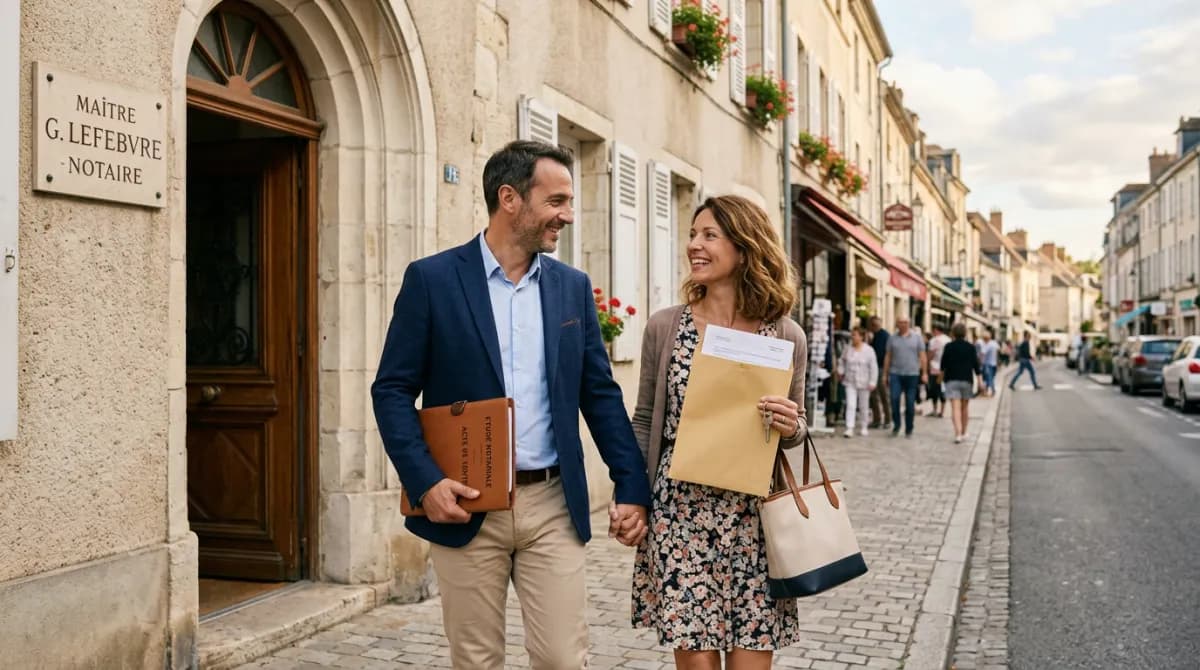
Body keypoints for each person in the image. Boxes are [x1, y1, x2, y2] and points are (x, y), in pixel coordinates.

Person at [371, 140, 652, 669]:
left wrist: (631, 484)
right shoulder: (431, 280)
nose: (568, 216)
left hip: (552, 503)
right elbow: (390, 390)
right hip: (465, 502)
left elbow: (599, 394)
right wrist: (425, 482)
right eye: (557, 201)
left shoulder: (572, 288)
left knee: (563, 660)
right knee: (476, 660)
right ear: (510, 199)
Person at [630, 195, 808, 669]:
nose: (694, 246)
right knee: (696, 665)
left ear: (745, 247)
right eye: (693, 235)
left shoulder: (786, 335)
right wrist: (630, 495)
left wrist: (792, 424)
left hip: (753, 519)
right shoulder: (666, 327)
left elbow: (797, 429)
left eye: (709, 235)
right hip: (680, 514)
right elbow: (645, 419)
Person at [883, 315, 928, 438]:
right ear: (897, 324)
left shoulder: (917, 338)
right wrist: (885, 374)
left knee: (909, 402)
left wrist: (924, 373)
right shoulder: (892, 338)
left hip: (912, 374)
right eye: (900, 322)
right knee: (894, 399)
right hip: (895, 373)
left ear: (909, 324)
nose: (903, 324)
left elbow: (923, 356)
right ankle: (897, 425)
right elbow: (888, 356)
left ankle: (909, 427)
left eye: (905, 322)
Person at [941, 323, 981, 443]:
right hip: (967, 380)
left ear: (953, 333)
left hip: (951, 379)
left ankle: (957, 434)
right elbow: (976, 365)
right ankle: (964, 432)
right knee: (964, 408)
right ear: (965, 333)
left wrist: (940, 379)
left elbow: (943, 365)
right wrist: (980, 381)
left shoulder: (948, 346)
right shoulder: (971, 347)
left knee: (955, 408)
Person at [838, 326, 878, 438]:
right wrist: (841, 372)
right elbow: (841, 361)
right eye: (852, 335)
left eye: (855, 335)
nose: (853, 337)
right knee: (851, 404)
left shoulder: (869, 350)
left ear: (861, 337)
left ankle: (864, 426)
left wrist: (872, 382)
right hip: (850, 381)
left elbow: (873, 367)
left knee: (863, 405)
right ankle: (849, 427)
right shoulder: (847, 349)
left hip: (864, 382)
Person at [867, 315, 891, 428]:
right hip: (872, 368)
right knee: (874, 396)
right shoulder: (873, 336)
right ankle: (877, 419)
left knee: (883, 395)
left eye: (875, 325)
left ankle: (888, 419)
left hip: (881, 368)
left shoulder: (885, 336)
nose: (874, 327)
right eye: (872, 325)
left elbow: (886, 354)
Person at [926, 325, 950, 417]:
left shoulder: (934, 341)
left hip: (934, 368)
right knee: (943, 390)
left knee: (934, 390)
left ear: (936, 330)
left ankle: (935, 410)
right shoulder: (948, 340)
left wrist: (927, 363)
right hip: (945, 369)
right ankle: (942, 411)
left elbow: (930, 355)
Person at [976, 330, 999, 397]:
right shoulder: (994, 343)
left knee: (989, 378)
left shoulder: (987, 345)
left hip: (987, 365)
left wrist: (979, 363)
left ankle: (991, 391)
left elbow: (982, 355)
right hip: (994, 364)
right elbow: (997, 353)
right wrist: (997, 363)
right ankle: (986, 391)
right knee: (990, 378)